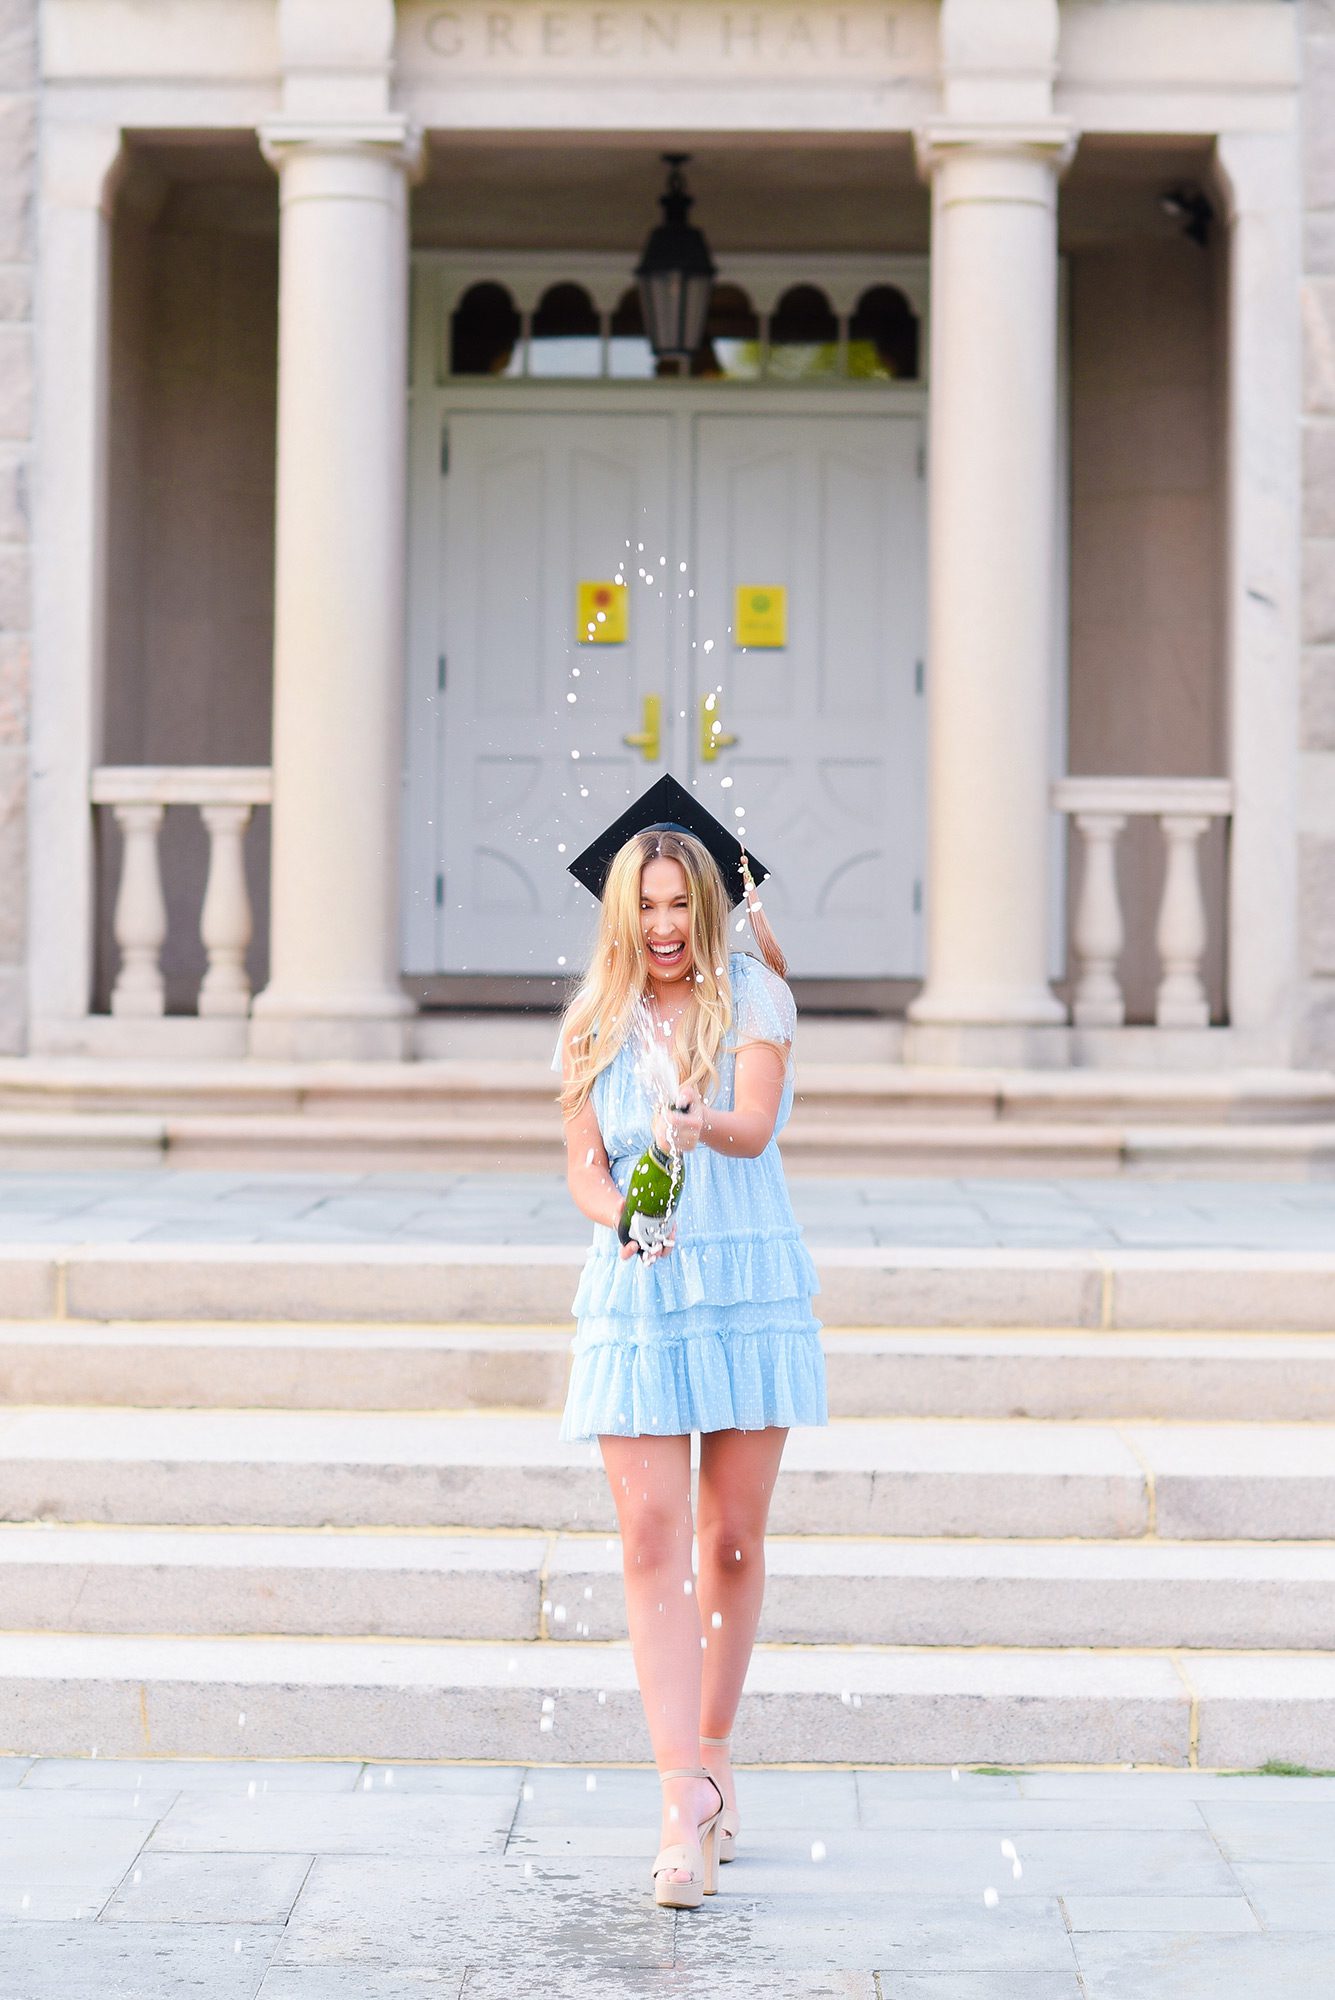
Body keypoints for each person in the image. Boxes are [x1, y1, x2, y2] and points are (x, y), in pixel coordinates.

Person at [555, 774, 828, 1911]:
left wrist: (695, 1121)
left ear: (706, 907)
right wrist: (624, 1210)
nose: (666, 926)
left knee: (728, 1541)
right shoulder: (589, 1021)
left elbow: (757, 1127)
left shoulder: (753, 999)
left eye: (683, 904)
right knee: (648, 1538)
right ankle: (681, 1800)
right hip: (638, 1288)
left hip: (747, 1276)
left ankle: (716, 1747)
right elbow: (582, 1167)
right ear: (624, 913)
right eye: (648, 906)